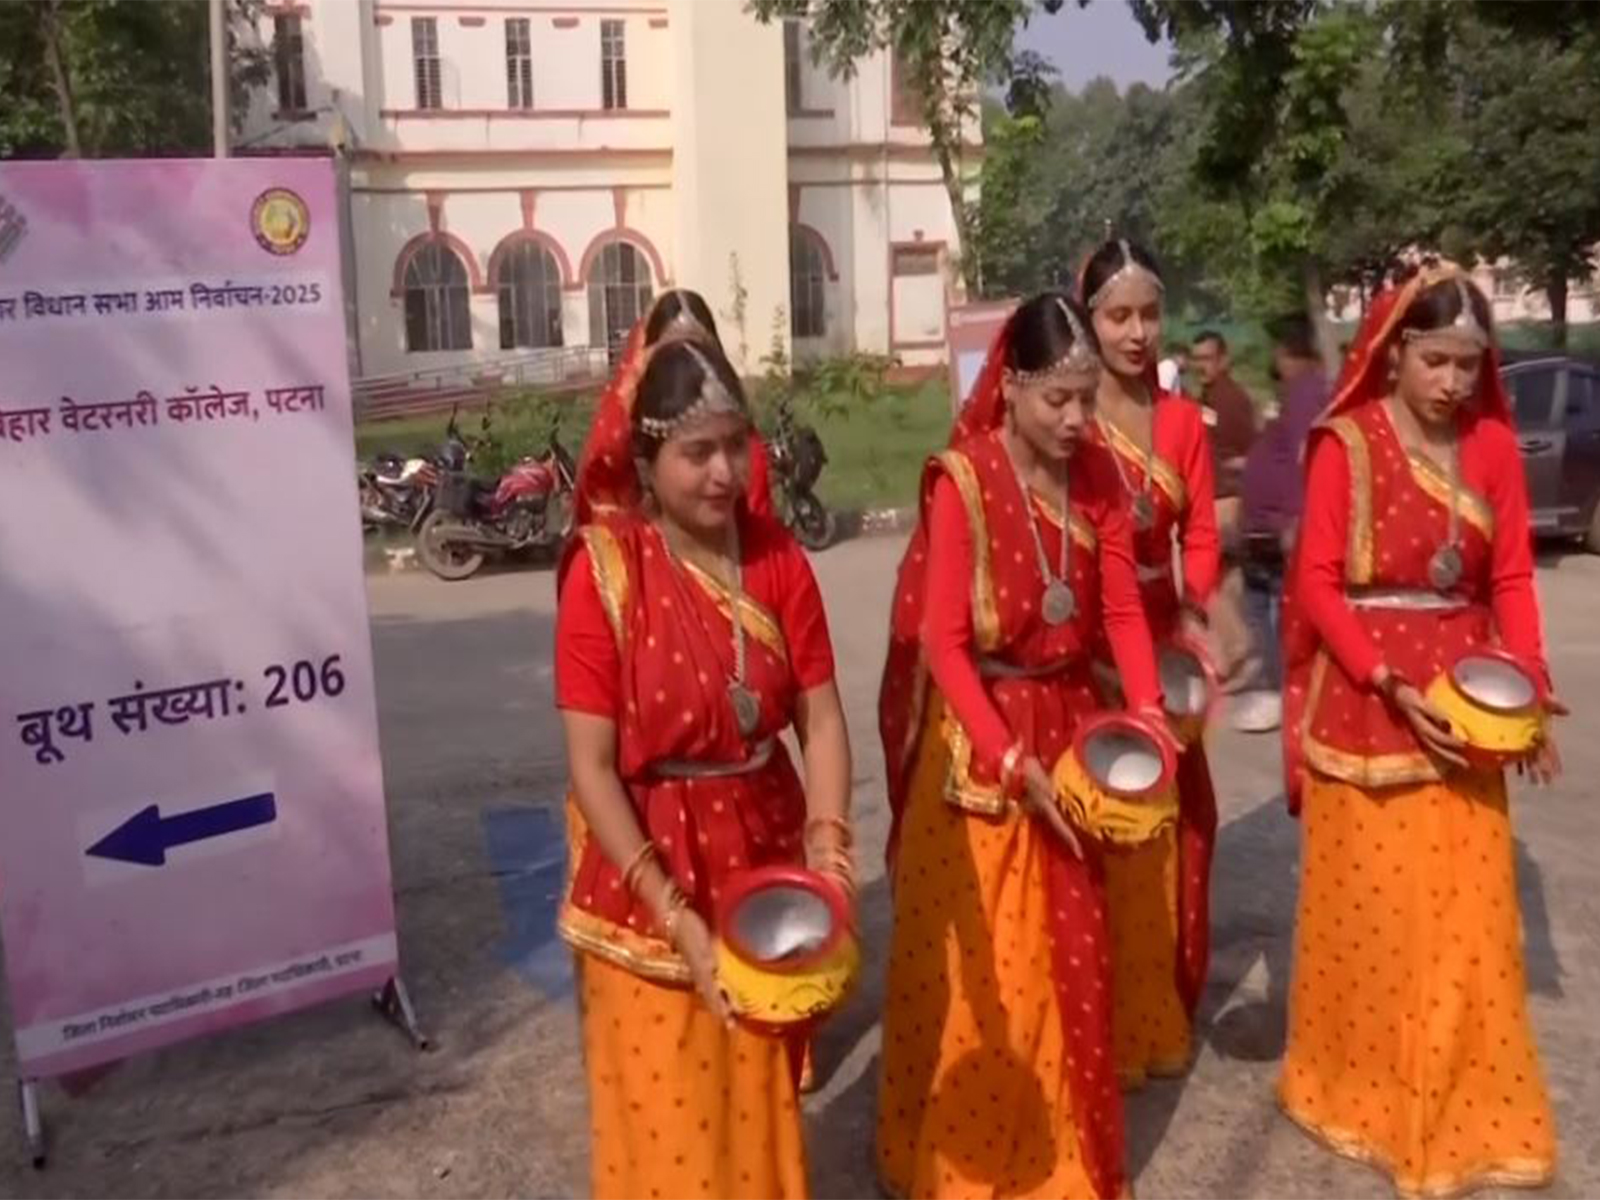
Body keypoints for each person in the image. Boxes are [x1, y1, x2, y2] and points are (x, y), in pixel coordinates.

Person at [1278, 262, 1563, 1194]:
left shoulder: (1489, 446)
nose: (1452, 385)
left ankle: (1459, 1114)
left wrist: (1528, 690)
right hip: (1369, 707)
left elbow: (1511, 578)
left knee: (1468, 928)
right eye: (1436, 361)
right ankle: (1354, 1095)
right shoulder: (1345, 446)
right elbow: (1318, 584)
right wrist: (1388, 679)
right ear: (1394, 352)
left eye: (1467, 368)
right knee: (1375, 929)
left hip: (1469, 712)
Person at [876, 292, 1164, 1200]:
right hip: (982, 750)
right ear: (1010, 391)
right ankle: (968, 1162)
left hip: (1074, 736)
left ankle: (1061, 1160)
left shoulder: (1104, 479)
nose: (1079, 419)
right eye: (1059, 401)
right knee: (985, 973)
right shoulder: (963, 480)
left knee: (1067, 952)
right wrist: (1008, 759)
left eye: (1087, 399)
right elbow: (943, 645)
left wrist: (1150, 716)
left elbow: (1119, 608)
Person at [555, 336, 854, 1199]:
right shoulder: (607, 571)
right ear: (646, 461)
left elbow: (821, 719)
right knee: (668, 1126)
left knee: (756, 1109)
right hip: (646, 887)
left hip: (760, 873)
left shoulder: (776, 559)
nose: (725, 473)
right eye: (698, 452)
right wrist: (672, 909)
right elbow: (593, 767)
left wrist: (829, 854)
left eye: (735, 445)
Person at [1080, 238, 1221, 1086]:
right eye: (1118, 314)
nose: (1137, 332)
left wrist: (1196, 606)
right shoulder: (1069, 415)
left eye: (1149, 314)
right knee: (1101, 828)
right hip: (1085, 641)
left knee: (1173, 832)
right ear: (1089, 318)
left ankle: (1154, 1004)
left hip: (1163, 641)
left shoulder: (1180, 424)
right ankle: (1094, 1010)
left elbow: (1198, 530)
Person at [573, 287, 774, 526]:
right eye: (698, 452)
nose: (724, 473)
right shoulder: (614, 465)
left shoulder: (749, 455)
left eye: (699, 356)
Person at [1232, 314, 1327, 733]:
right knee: (1259, 605)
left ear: (1291, 353)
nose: (1274, 358)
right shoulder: (1293, 393)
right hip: (1267, 527)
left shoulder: (1309, 394)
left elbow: (1307, 459)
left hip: (1282, 529)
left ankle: (1283, 692)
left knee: (1272, 613)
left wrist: (1293, 520)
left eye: (1278, 351)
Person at [1190, 329, 1258, 682]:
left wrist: (1239, 466)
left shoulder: (1229, 400)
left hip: (1224, 501)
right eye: (1197, 359)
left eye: (1208, 359)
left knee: (1204, 580)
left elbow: (1249, 448)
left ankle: (1232, 650)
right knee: (1227, 581)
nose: (1201, 366)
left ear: (1223, 359)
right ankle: (1239, 646)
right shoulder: (1210, 397)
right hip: (1215, 498)